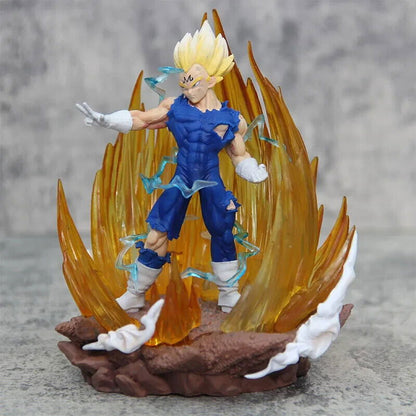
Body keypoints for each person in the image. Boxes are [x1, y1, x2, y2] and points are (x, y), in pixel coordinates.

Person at [77, 21, 268, 313]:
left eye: (194, 83)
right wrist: (108, 120)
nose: (188, 89)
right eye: (184, 83)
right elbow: (142, 119)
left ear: (212, 81)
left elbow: (238, 154)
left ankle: (228, 293)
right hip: (182, 178)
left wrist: (251, 170)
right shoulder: (174, 108)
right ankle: (135, 293)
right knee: (156, 234)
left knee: (223, 230)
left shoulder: (231, 119)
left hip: (211, 178)